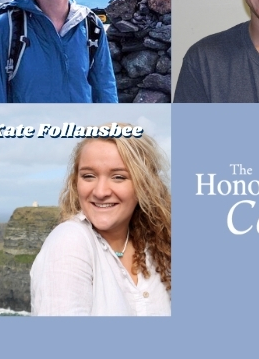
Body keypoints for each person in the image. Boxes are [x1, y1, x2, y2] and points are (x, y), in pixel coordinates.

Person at [31, 131, 172, 316]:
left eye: (118, 177)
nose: (100, 191)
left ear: (144, 185)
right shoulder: (70, 241)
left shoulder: (159, 246)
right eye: (89, 176)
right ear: (75, 183)